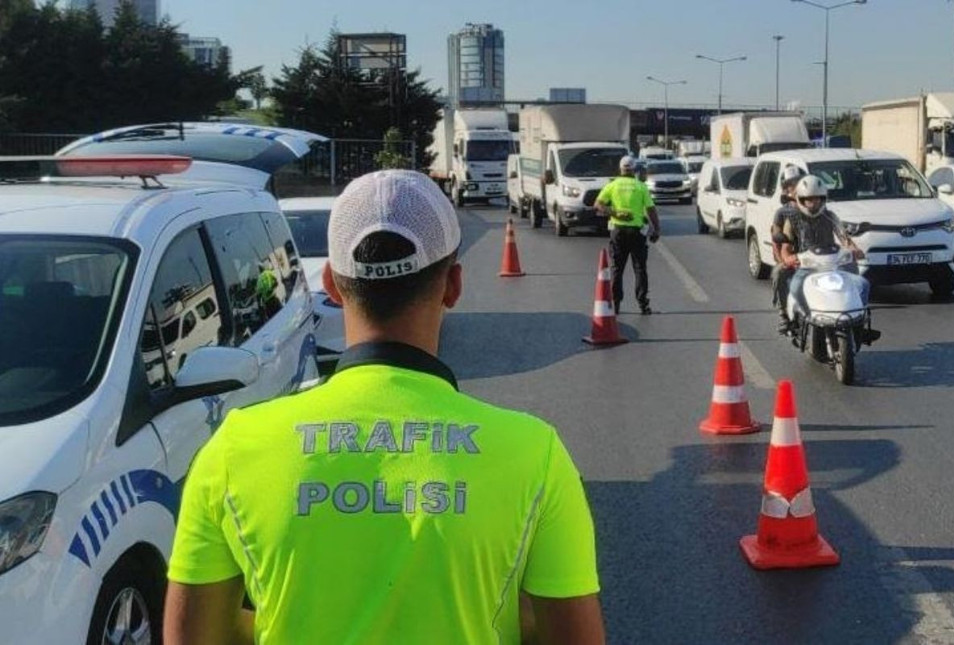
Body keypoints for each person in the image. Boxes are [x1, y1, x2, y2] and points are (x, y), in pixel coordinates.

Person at [163, 169, 605, 645]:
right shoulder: (534, 453)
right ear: (453, 285)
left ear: (331, 284)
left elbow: (192, 637)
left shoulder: (233, 449)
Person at [779, 174, 867, 311]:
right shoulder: (792, 220)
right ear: (801, 200)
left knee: (862, 284)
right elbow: (785, 247)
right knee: (795, 287)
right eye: (809, 200)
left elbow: (844, 238)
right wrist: (787, 258)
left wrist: (855, 250)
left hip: (834, 264)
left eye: (818, 199)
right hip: (806, 266)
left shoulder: (830, 216)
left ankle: (857, 319)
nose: (814, 203)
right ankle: (802, 314)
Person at [594, 154, 661, 315]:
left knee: (617, 269)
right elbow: (651, 210)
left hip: (618, 232)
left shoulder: (613, 185)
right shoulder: (640, 186)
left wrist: (615, 213)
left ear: (620, 169)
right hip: (637, 233)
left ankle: (615, 305)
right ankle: (643, 305)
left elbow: (597, 205)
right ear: (634, 169)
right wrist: (656, 229)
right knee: (640, 269)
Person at [772, 165, 805, 333]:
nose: (795, 186)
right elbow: (777, 242)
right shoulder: (782, 213)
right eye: (791, 184)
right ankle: (784, 313)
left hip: (815, 258)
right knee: (779, 273)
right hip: (791, 258)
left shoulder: (817, 207)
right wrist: (783, 261)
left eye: (799, 182)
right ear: (786, 189)